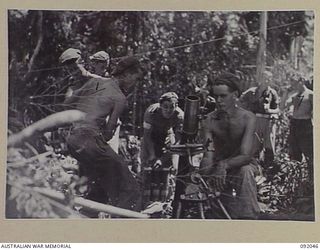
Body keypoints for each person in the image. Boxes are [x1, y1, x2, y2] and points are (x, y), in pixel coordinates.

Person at [8, 56, 144, 212]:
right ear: (126, 75)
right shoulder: (120, 98)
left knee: (96, 188)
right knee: (129, 186)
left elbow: (67, 104)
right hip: (91, 141)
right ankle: (125, 226)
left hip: (73, 140)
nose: (135, 84)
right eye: (135, 79)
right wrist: (101, 128)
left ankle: (86, 218)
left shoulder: (95, 82)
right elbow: (108, 133)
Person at [200, 73, 260, 219]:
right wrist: (203, 174)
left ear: (235, 95)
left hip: (242, 166)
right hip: (218, 167)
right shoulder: (209, 120)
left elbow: (246, 156)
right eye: (216, 96)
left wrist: (223, 165)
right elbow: (209, 154)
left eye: (223, 96)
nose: (219, 100)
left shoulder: (248, 118)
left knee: (245, 171)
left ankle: (249, 219)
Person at [140, 92, 184, 205]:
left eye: (172, 107)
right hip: (151, 136)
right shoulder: (151, 112)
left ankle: (167, 200)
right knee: (147, 167)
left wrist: (163, 158)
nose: (168, 110)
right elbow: (147, 136)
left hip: (167, 134)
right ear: (160, 106)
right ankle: (144, 200)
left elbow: (178, 142)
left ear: (176, 106)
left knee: (172, 167)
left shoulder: (180, 115)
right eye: (165, 107)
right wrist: (152, 155)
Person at [239, 71, 280, 167]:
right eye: (264, 78)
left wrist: (270, 110)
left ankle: (268, 168)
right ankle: (254, 167)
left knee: (269, 145)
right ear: (260, 79)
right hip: (254, 121)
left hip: (268, 122)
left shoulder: (272, 93)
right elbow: (240, 101)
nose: (266, 80)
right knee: (254, 145)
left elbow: (277, 109)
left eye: (269, 78)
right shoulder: (252, 91)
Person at [284, 74, 313, 180]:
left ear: (301, 81)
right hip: (294, 125)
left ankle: (311, 180)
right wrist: (285, 93)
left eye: (295, 83)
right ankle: (297, 180)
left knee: (309, 153)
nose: (294, 85)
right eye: (292, 83)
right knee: (294, 153)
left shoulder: (311, 94)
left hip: (305, 126)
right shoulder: (295, 96)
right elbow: (283, 106)